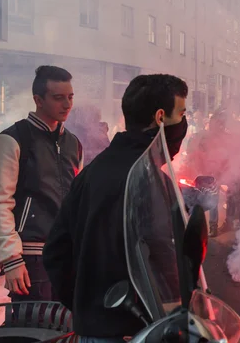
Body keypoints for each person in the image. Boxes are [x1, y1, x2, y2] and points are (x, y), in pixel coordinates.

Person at [43, 74, 188, 341]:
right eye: (181, 113)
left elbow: (55, 252)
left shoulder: (91, 172)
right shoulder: (149, 180)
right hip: (136, 332)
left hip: (92, 331)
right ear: (160, 118)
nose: (183, 123)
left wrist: (88, 309)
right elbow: (164, 258)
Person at [0, 66, 82, 302]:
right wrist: (11, 258)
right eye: (58, 98)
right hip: (29, 258)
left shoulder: (73, 143)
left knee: (67, 331)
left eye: (70, 97)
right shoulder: (11, 140)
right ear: (38, 100)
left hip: (66, 254)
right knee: (36, 331)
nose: (67, 104)